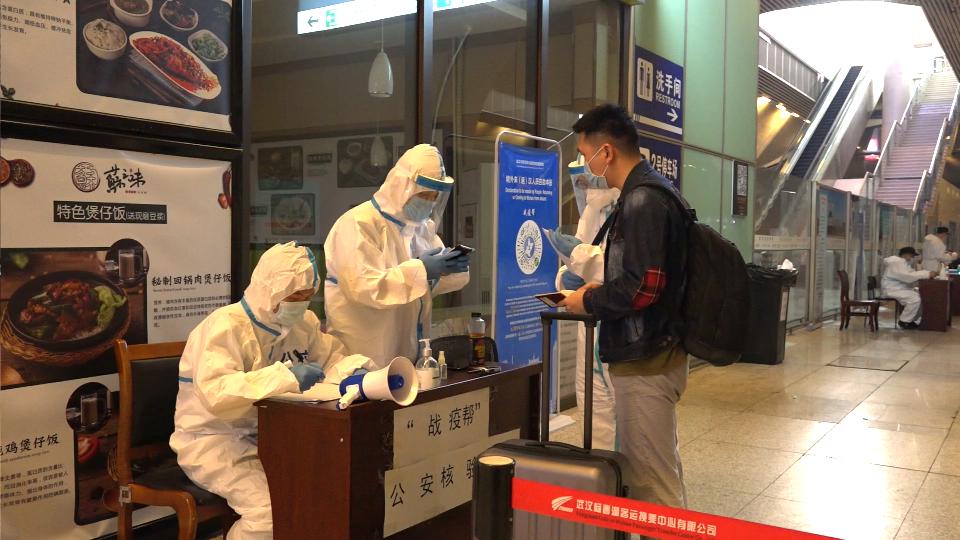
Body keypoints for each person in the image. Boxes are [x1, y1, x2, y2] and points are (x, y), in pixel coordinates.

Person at [170, 242, 376, 540]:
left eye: (307, 296)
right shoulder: (223, 327)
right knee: (269, 512)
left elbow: (331, 357)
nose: (301, 304)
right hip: (214, 439)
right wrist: (284, 377)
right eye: (294, 296)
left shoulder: (303, 324)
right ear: (268, 289)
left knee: (319, 491)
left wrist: (353, 370)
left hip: (274, 435)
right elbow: (218, 393)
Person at [559, 104, 689, 509]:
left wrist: (588, 299)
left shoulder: (642, 201)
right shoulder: (646, 193)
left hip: (648, 358)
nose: (586, 166)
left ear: (607, 152)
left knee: (652, 484)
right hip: (652, 350)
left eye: (586, 155)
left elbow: (643, 288)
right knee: (654, 471)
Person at [324, 144, 470, 367]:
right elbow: (365, 288)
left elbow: (423, 287)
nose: (429, 202)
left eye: (434, 196)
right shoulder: (358, 224)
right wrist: (422, 270)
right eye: (424, 194)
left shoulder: (422, 228)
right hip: (364, 353)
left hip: (409, 350)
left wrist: (448, 268)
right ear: (401, 186)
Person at [545, 156, 620, 451]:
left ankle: (632, 481)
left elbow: (629, 271)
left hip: (622, 335)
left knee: (637, 433)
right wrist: (568, 277)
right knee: (594, 419)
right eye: (579, 182)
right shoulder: (591, 211)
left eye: (587, 180)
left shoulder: (634, 206)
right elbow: (578, 261)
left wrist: (584, 262)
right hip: (589, 333)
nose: (584, 188)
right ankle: (602, 477)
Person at [882, 246, 937, 330]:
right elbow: (907, 277)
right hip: (893, 290)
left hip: (898, 288)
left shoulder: (902, 263)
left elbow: (911, 273)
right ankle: (904, 321)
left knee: (919, 295)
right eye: (912, 256)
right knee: (914, 299)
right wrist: (927, 274)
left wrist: (926, 273)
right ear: (906, 254)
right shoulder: (897, 263)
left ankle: (912, 320)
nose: (912, 258)